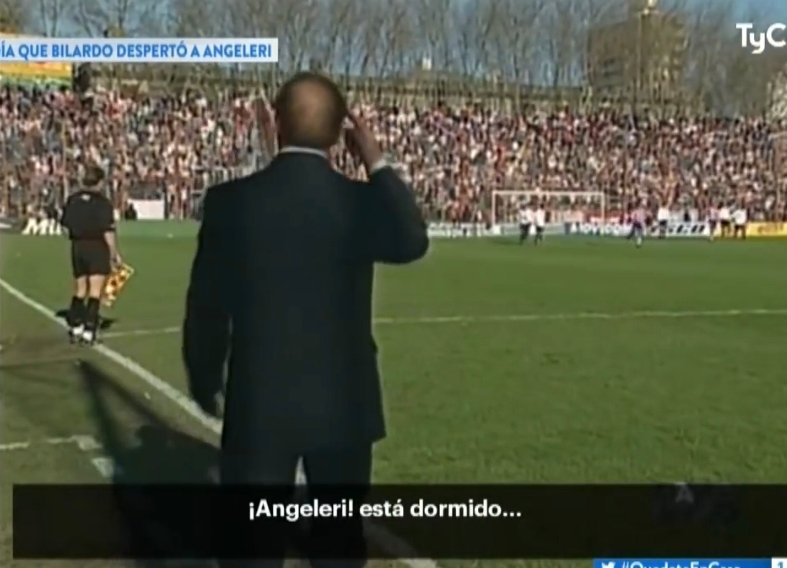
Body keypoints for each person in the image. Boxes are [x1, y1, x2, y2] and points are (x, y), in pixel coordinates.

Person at [182, 72, 429, 568]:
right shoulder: (359, 202)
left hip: (259, 406)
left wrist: (206, 378)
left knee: (251, 549)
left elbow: (206, 305)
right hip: (345, 406)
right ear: (343, 134)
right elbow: (413, 241)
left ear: (275, 125)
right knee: (338, 544)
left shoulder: (231, 203)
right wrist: (376, 161)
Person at [60, 164, 122, 344]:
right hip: (96, 247)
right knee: (95, 291)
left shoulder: (73, 200)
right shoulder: (103, 203)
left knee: (80, 289)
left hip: (78, 247)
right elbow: (107, 231)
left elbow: (64, 227)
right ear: (100, 182)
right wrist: (114, 253)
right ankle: (89, 329)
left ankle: (75, 326)